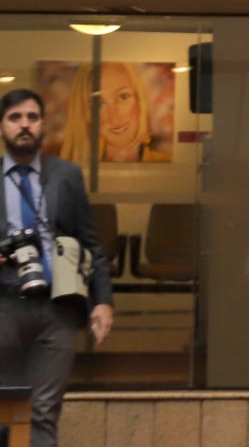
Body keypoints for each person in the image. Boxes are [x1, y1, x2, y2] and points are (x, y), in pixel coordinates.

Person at [0, 87, 114, 447]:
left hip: (59, 307)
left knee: (44, 412)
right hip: (4, 307)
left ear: (42, 125)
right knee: (3, 409)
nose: (24, 125)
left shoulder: (66, 174)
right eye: (15, 118)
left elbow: (91, 243)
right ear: (2, 126)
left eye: (32, 118)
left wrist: (103, 301)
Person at [58, 63, 172, 164]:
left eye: (123, 96)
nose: (114, 118)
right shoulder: (71, 171)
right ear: (86, 114)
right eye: (98, 104)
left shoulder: (167, 163)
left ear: (139, 100)